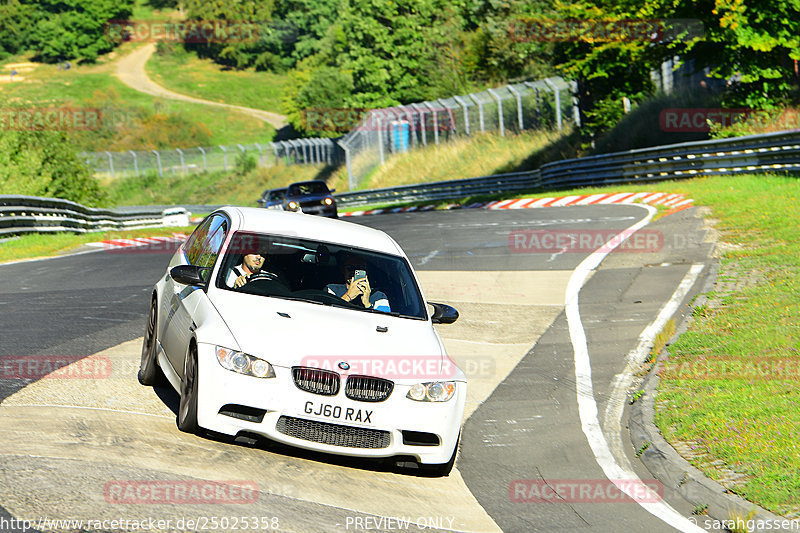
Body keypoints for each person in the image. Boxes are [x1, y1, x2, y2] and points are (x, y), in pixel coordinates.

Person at [326, 253, 390, 312]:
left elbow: (385, 321)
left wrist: (367, 304)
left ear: (366, 271)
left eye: (360, 268)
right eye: (350, 268)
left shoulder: (378, 296)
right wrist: (348, 296)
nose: (354, 272)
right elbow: (326, 314)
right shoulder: (331, 290)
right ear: (343, 270)